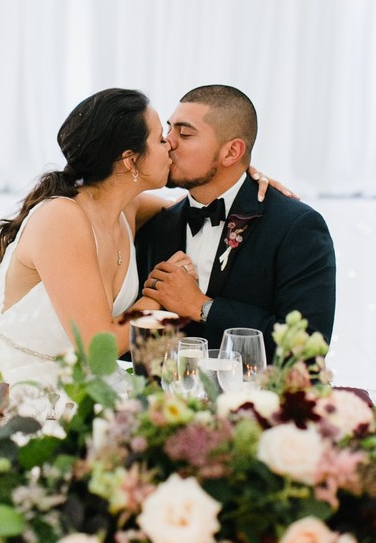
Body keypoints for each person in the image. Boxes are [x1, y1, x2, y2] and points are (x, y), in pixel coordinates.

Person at [0, 88, 173, 389]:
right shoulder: (62, 219)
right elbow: (98, 349)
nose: (171, 146)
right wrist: (158, 298)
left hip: (78, 383)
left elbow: (195, 210)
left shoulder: (128, 208)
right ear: (130, 160)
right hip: (5, 380)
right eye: (161, 139)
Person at [135, 85, 336, 361]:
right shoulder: (155, 225)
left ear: (232, 152)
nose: (169, 142)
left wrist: (202, 307)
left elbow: (308, 348)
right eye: (169, 130)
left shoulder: (296, 226)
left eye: (184, 133)